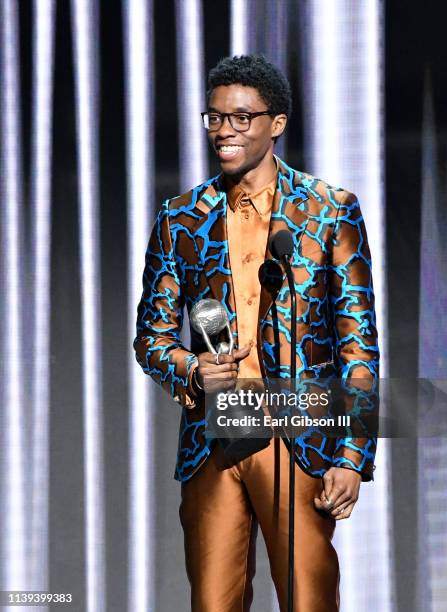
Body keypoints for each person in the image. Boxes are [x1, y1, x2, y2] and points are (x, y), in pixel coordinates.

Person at [133, 54, 379, 612]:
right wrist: (190, 367)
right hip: (216, 431)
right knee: (214, 602)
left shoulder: (328, 211)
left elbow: (358, 341)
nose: (225, 131)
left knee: (308, 598)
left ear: (278, 122)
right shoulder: (181, 218)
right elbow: (151, 336)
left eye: (242, 118)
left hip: (300, 432)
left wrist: (352, 452)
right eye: (215, 118)